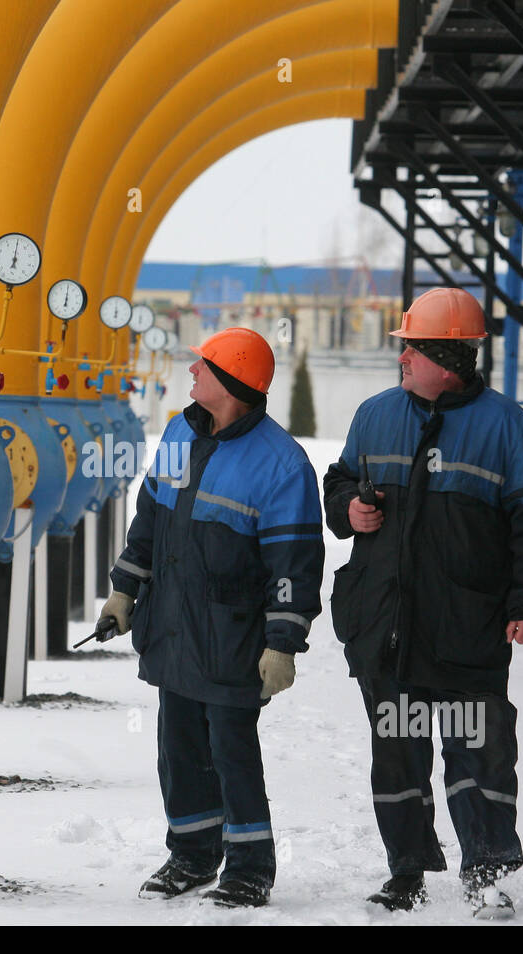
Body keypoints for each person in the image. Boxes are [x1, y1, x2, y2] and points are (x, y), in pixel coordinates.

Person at [323, 288, 523, 918]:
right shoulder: (375, 414)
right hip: (386, 625)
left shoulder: (509, 428)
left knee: (477, 752)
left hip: (466, 629)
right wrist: (348, 508)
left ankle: (486, 877)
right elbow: (340, 480)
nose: (400, 357)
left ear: (445, 358)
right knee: (397, 752)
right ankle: (406, 872)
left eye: (409, 348)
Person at [96, 326, 324, 908]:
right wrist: (125, 592)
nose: (192, 373)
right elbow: (149, 520)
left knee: (231, 750)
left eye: (203, 366)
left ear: (230, 381)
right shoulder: (179, 431)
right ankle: (192, 854)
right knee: (178, 749)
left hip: (232, 637)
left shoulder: (282, 463)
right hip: (173, 626)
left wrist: (283, 643)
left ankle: (250, 866)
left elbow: (294, 562)